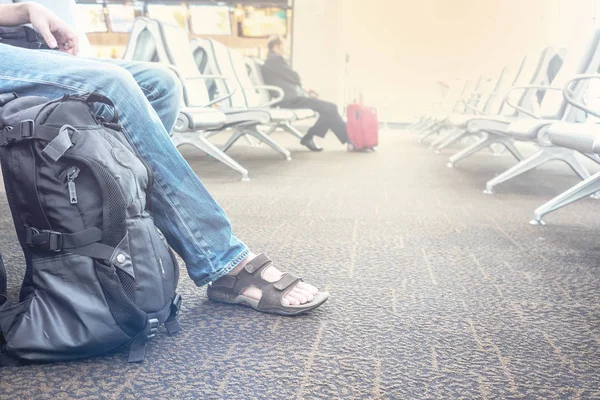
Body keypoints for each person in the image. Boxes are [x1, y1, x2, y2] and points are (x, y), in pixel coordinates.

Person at [0, 2, 329, 315]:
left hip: (19, 43)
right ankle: (223, 261)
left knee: (161, 83)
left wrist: (25, 10)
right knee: (111, 85)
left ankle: (129, 222)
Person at [261, 35, 353, 152]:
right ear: (276, 47)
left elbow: (289, 81)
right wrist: (303, 90)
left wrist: (305, 92)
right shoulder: (274, 60)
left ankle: (349, 141)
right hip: (289, 100)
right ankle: (310, 137)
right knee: (331, 108)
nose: (286, 49)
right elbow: (295, 77)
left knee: (330, 109)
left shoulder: (272, 61)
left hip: (290, 98)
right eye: (284, 46)